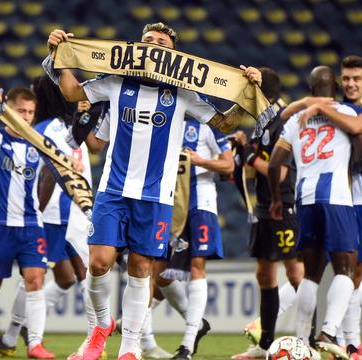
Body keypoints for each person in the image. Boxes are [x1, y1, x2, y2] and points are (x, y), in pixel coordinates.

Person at [46, 22, 261, 360]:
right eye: (148, 41)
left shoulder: (183, 94)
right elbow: (72, 92)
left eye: (161, 43)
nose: (154, 46)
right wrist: (58, 54)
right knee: (99, 262)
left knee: (140, 269)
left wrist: (246, 90)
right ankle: (101, 327)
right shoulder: (117, 82)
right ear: (137, 48)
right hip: (114, 189)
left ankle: (130, 348)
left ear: (172, 55)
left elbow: (225, 124)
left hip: (157, 195)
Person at [293, 56, 362, 360]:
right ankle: (352, 344)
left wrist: (318, 107)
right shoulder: (339, 108)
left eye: (357, 78)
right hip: (351, 200)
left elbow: (359, 128)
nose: (351, 84)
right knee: (351, 274)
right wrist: (319, 106)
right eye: (346, 79)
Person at [0, 76, 96, 359]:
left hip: (60, 213)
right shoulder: (66, 128)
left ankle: (15, 334)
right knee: (65, 277)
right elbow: (59, 171)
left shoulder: (47, 129)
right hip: (66, 213)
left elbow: (52, 171)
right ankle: (19, 334)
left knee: (62, 276)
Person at [268, 66, 359, 360]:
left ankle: (302, 339)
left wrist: (275, 199)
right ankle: (329, 332)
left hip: (305, 198)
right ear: (335, 87)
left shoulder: (296, 119)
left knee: (311, 275)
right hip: (337, 199)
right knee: (345, 267)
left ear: (310, 89)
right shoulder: (348, 113)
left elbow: (273, 164)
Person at [0, 88, 53, 360]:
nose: (27, 117)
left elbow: (57, 170)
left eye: (31, 112)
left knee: (36, 280)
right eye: (21, 111)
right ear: (9, 110)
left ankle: (35, 344)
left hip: (32, 224)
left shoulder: (40, 142)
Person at [231, 68, 306, 360]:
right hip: (264, 206)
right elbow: (254, 168)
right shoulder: (263, 124)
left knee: (296, 272)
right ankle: (264, 345)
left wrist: (249, 154)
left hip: (283, 204)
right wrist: (242, 154)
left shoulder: (282, 122)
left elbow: (282, 171)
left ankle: (310, 338)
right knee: (264, 274)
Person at [151, 116, 235, 360]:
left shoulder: (209, 126)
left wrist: (200, 161)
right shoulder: (165, 120)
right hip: (171, 201)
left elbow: (228, 166)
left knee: (197, 265)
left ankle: (187, 346)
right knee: (161, 272)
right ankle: (196, 323)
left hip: (201, 202)